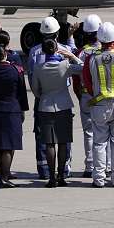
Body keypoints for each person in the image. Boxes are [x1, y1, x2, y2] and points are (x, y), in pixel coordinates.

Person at [72, 12, 114, 178]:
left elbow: (86, 80)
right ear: (113, 40)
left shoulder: (90, 58)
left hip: (98, 104)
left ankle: (98, 177)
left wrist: (96, 95)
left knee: (98, 142)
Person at [26, 16, 76, 180]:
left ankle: (45, 169)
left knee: (44, 138)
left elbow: (32, 79)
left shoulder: (34, 52)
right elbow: (78, 62)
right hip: (62, 98)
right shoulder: (63, 50)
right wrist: (70, 37)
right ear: (57, 34)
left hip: (43, 99)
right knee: (63, 139)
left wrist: (39, 96)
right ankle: (64, 170)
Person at [30, 39, 83, 187]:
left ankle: (51, 177)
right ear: (56, 50)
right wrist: (71, 55)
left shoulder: (39, 68)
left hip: (45, 106)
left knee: (49, 144)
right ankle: (61, 176)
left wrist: (43, 96)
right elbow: (82, 67)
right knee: (63, 142)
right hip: (64, 105)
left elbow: (35, 89)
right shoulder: (64, 65)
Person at [0, 44, 30, 188]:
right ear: (5, 54)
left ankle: (1, 174)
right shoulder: (15, 70)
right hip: (12, 110)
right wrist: (23, 110)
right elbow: (22, 92)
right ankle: (4, 176)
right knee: (9, 147)